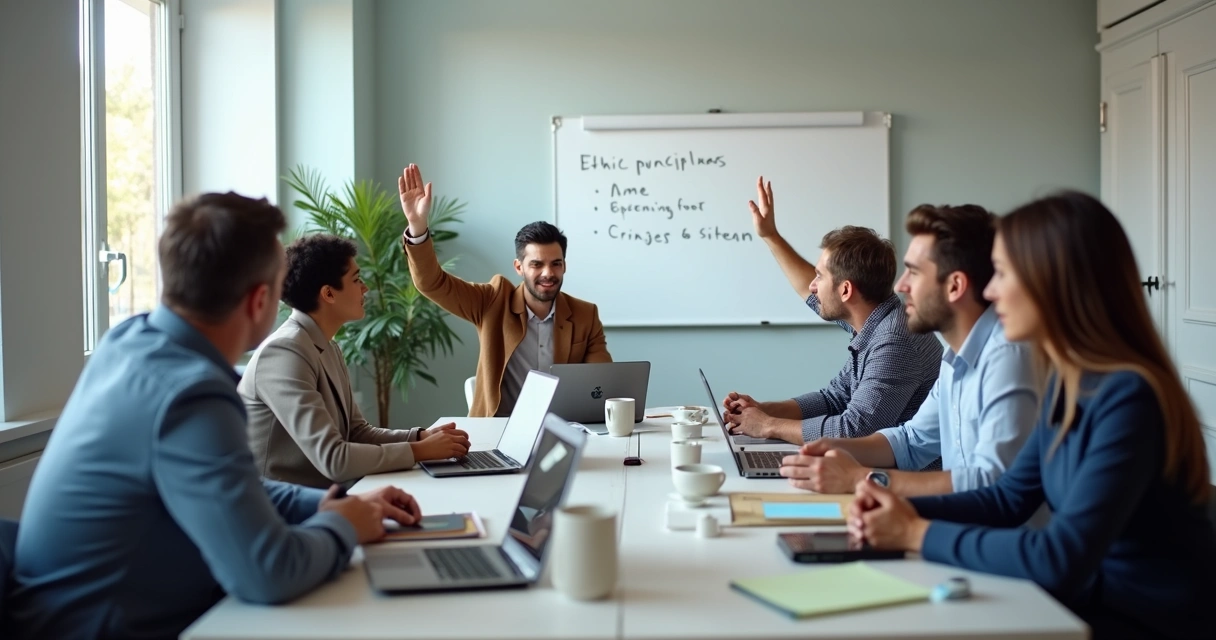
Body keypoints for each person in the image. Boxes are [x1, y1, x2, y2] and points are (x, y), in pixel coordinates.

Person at [5, 193, 423, 640]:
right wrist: (343, 526)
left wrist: (325, 505)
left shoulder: (129, 341)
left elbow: (233, 483)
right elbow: (268, 573)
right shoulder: (192, 393)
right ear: (259, 300)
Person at [848, 192, 1216, 639]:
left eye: (1003, 273)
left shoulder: (1129, 397)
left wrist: (913, 533)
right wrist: (895, 509)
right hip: (1078, 606)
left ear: (1053, 282)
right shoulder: (1069, 383)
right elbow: (1006, 498)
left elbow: (1058, 557)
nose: (989, 290)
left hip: (1136, 622)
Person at [778, 204, 1040, 496]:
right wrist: (830, 446)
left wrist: (861, 479)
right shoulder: (956, 358)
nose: (901, 285)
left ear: (955, 286)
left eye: (914, 272)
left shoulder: (1007, 358)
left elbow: (990, 483)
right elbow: (912, 440)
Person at [240, 234, 471, 489]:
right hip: (285, 511)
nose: (365, 288)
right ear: (328, 293)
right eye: (356, 279)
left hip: (326, 497)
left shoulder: (327, 346)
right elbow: (334, 459)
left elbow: (357, 432)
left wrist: (420, 436)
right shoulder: (284, 352)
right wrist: (419, 450)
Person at [724, 177, 942, 445]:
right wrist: (761, 410)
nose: (812, 287)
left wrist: (769, 426)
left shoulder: (894, 342)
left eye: (819, 276)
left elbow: (854, 430)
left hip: (897, 479)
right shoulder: (875, 323)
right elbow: (835, 398)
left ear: (846, 291)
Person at [398, 163, 611, 417]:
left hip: (562, 430)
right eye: (536, 264)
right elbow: (432, 283)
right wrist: (417, 227)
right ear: (519, 267)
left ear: (565, 265)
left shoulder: (585, 315)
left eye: (556, 264)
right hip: (498, 433)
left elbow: (602, 384)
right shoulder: (491, 301)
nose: (548, 273)